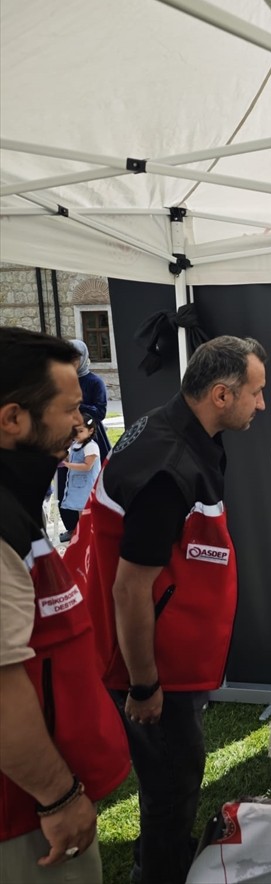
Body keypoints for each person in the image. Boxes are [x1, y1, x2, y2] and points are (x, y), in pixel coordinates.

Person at [65, 335, 267, 884]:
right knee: (171, 791)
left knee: (172, 787)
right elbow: (131, 589)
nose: (262, 404)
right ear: (221, 395)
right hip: (154, 672)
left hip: (173, 662)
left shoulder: (177, 429)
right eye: (256, 392)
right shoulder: (168, 465)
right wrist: (145, 685)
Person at [0, 329, 129, 880]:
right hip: (25, 816)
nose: (81, 426)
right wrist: (57, 797)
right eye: (69, 409)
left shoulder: (15, 505)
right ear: (13, 420)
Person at [55, 340, 111, 526]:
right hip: (66, 437)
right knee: (66, 480)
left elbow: (100, 412)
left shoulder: (95, 382)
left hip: (90, 437)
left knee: (92, 480)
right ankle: (72, 526)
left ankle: (94, 525)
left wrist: (76, 404)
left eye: (74, 358)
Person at [57, 416, 101, 542]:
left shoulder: (91, 447)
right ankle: (84, 537)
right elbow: (69, 457)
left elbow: (87, 466)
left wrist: (68, 465)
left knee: (88, 513)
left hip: (87, 486)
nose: (77, 434)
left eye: (81, 431)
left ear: (90, 431)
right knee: (81, 512)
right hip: (77, 486)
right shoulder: (75, 444)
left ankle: (89, 538)